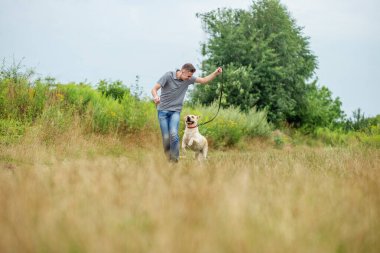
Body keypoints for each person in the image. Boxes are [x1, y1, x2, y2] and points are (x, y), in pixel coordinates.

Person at [151, 63, 222, 162]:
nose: (190, 78)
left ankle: (174, 161)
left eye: (191, 76)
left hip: (175, 111)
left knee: (174, 134)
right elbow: (154, 89)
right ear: (183, 71)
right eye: (189, 76)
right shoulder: (168, 75)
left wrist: (215, 73)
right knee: (166, 137)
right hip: (162, 110)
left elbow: (204, 80)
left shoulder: (188, 79)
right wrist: (155, 96)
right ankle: (168, 158)